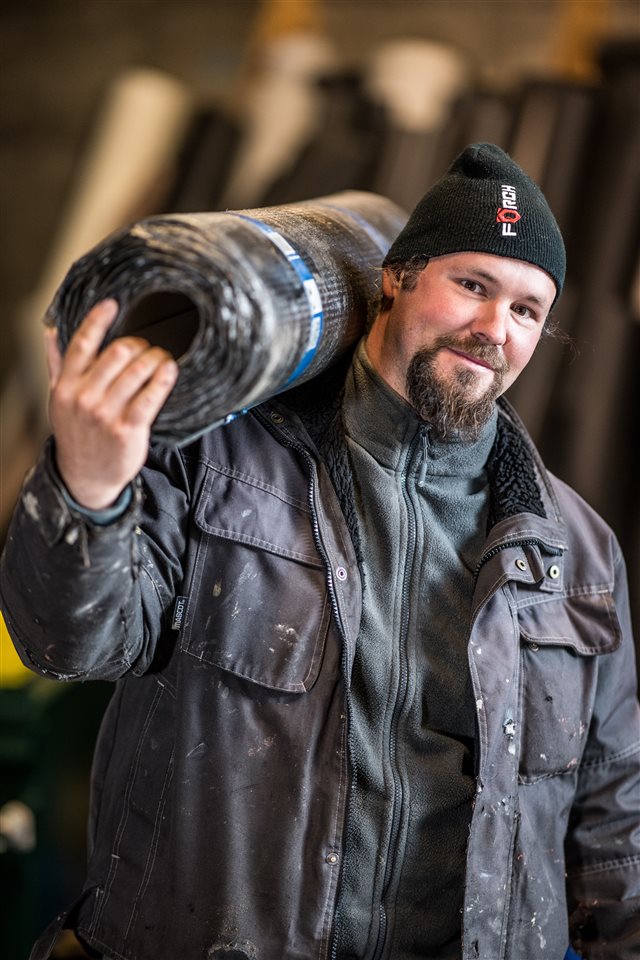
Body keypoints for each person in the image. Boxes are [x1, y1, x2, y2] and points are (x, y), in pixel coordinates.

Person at [1, 143, 638, 960]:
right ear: (397, 278)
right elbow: (67, 642)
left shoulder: (576, 552)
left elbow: (615, 822)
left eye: (526, 309)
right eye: (472, 285)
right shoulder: (219, 461)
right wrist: (86, 490)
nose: (492, 330)